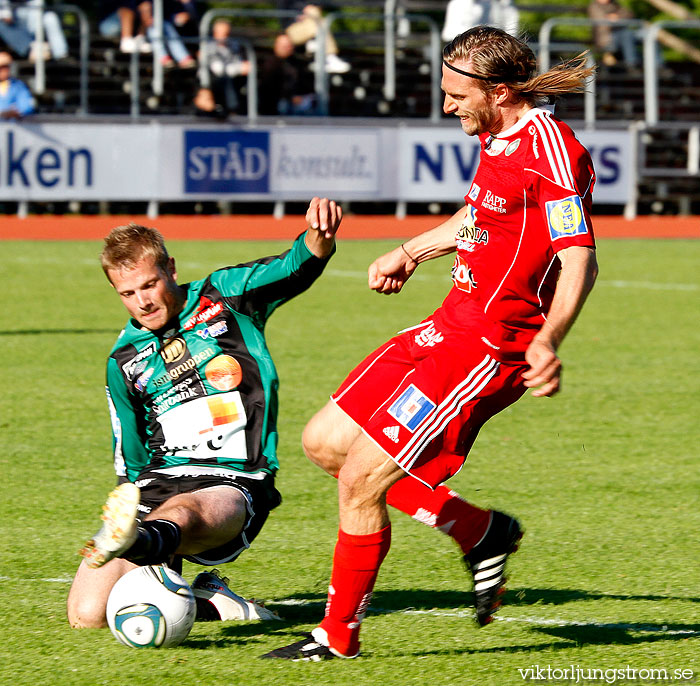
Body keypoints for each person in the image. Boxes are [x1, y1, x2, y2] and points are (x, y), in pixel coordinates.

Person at [263, 26, 598, 661]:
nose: (446, 106)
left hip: (491, 347)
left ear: (497, 91)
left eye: (454, 94)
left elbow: (578, 253)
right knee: (325, 442)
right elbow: (482, 214)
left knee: (362, 479)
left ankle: (336, 637)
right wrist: (413, 249)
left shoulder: (551, 151)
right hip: (449, 323)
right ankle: (479, 529)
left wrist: (548, 339)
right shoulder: (497, 135)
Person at [66, 197, 342, 629]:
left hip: (231, 482)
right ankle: (208, 596)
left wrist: (319, 239)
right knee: (87, 616)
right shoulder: (123, 360)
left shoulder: (225, 296)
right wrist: (129, 501)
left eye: (149, 284)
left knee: (180, 515)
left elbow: (294, 267)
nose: (142, 302)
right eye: (127, 293)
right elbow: (133, 458)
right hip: (158, 486)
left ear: (170, 269)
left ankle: (145, 546)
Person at [277, 1, 350, 74]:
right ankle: (329, 56)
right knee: (315, 16)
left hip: (311, 23)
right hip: (292, 29)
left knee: (314, 15)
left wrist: (312, 7)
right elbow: (283, 13)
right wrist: (300, 14)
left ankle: (316, 46)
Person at [259, 33, 317, 116]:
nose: (286, 48)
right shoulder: (270, 64)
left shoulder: (296, 63)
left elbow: (304, 83)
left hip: (298, 99)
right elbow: (270, 89)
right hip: (277, 102)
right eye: (283, 46)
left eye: (288, 45)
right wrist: (290, 97)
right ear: (276, 46)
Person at [203, 18, 250, 115]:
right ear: (215, 33)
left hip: (234, 78)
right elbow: (218, 69)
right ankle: (233, 109)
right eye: (223, 33)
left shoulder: (233, 45)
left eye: (227, 34)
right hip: (212, 81)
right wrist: (240, 68)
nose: (225, 37)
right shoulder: (208, 47)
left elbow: (239, 62)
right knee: (225, 80)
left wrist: (240, 67)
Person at [0, 0, 68, 61]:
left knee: (51, 18)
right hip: (15, 22)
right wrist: (6, 13)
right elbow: (6, 16)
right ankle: (30, 50)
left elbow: (34, 26)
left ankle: (60, 55)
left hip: (33, 18)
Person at [441, 0, 520, 42]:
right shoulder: (457, 4)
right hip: (462, 46)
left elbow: (511, 24)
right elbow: (450, 34)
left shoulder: (500, 4)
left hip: (493, 46)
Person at [588, 0, 638, 66]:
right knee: (627, 35)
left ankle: (634, 63)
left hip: (619, 35)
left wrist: (617, 17)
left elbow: (629, 14)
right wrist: (616, 19)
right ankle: (632, 64)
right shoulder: (594, 6)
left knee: (631, 35)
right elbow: (602, 22)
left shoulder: (614, 4)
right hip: (605, 39)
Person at [0, 50, 35, 118]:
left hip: (14, 124)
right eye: (1, 68)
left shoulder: (18, 86)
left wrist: (16, 112)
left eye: (6, 67)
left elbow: (26, 106)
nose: (3, 71)